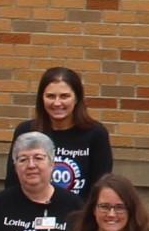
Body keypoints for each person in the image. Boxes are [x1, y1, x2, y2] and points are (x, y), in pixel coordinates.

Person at [14, 66, 114, 205]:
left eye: (64, 96)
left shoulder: (96, 133)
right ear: (41, 99)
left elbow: (100, 187)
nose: (57, 103)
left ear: (76, 98)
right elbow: (13, 183)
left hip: (78, 214)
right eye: (50, 96)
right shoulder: (26, 131)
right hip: (32, 212)